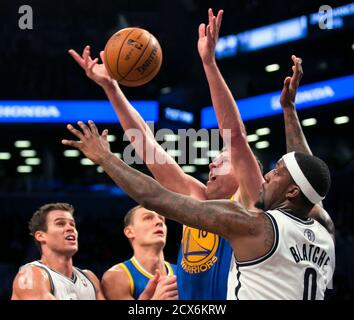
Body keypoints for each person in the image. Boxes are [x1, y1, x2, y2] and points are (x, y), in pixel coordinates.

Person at [67, 8, 334, 299]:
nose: (212, 162)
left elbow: (234, 133)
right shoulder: (198, 200)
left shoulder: (251, 202)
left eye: (222, 160)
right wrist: (112, 88)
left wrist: (209, 63)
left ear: (248, 171)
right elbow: (148, 148)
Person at [61, 120, 335, 300]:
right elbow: (310, 181)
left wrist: (105, 158)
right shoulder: (325, 233)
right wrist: (289, 110)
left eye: (277, 173)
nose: (267, 176)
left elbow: (154, 196)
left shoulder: (254, 221)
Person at [11, 202, 105, 300]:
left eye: (72, 224)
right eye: (60, 224)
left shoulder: (90, 278)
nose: (70, 228)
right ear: (41, 236)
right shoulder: (31, 276)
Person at [101, 205, 178, 300]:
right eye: (148, 218)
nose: (159, 222)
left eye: (162, 219)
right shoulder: (116, 277)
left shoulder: (182, 273)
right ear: (129, 232)